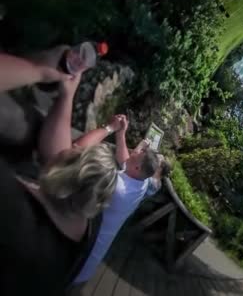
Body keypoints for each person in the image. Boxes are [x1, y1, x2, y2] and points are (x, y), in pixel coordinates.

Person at [0, 53, 120, 295]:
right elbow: (61, 152)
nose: (73, 146)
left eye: (75, 152)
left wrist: (38, 69)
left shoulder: (11, 209)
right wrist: (69, 94)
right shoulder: (83, 221)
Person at [73, 115, 169, 284]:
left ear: (138, 166)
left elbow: (76, 149)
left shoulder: (116, 186)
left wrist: (110, 128)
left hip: (78, 254)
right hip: (89, 256)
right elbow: (125, 159)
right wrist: (121, 133)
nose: (136, 150)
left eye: (139, 152)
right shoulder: (143, 182)